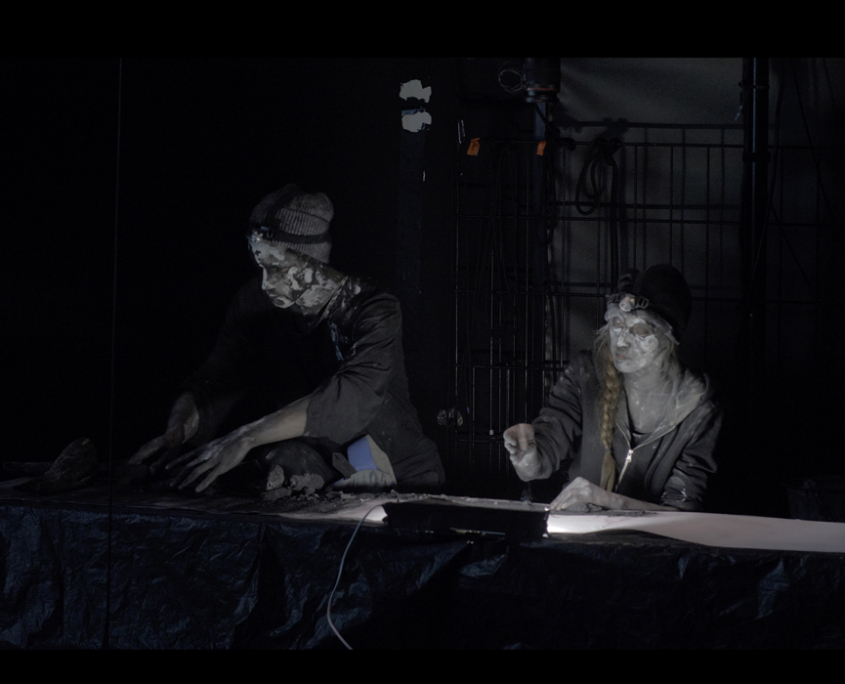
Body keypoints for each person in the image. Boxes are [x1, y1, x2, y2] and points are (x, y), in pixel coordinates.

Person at [130, 184, 445, 496]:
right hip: (328, 472)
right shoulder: (254, 303)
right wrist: (179, 427)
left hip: (404, 474)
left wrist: (247, 436)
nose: (265, 283)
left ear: (312, 263)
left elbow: (351, 395)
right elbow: (215, 379)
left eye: (277, 268)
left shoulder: (372, 309)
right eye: (260, 265)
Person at [503, 264, 720, 512]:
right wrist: (528, 456)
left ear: (670, 340)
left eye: (641, 330)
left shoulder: (699, 407)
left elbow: (683, 513)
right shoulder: (587, 374)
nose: (622, 341)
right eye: (617, 323)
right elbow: (544, 454)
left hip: (650, 537)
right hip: (581, 531)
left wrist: (610, 501)